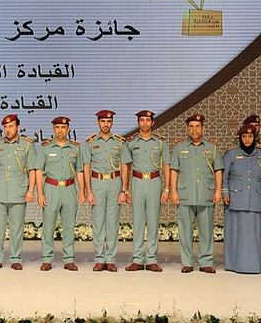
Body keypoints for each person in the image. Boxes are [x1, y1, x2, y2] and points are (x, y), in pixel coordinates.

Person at [169, 114, 223, 273]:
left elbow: (218, 170)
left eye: (197, 126)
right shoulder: (179, 148)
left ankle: (206, 262)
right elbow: (174, 171)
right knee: (185, 231)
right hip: (185, 195)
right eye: (191, 126)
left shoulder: (212, 148)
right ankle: (187, 262)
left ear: (203, 128)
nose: (194, 129)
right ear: (187, 129)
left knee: (206, 230)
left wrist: (218, 190)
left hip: (206, 195)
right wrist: (173, 191)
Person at [121, 110, 170, 272]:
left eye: (148, 120)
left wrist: (167, 188)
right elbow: (126, 166)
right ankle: (137, 258)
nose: (145, 123)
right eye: (142, 120)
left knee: (153, 221)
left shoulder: (160, 142)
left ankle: (151, 259)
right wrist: (125, 189)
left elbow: (166, 166)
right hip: (137, 181)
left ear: (152, 123)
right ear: (138, 123)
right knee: (138, 221)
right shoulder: (131, 143)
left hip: (154, 182)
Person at [222, 124, 261, 274]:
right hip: (235, 199)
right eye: (244, 136)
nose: (247, 139)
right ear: (240, 138)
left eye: (250, 136)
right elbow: (223, 177)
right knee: (234, 233)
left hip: (256, 199)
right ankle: (233, 264)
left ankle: (252, 266)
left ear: (254, 138)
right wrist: (225, 194)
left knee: (254, 235)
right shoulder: (231, 154)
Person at [0, 114, 36, 270]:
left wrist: (30, 190)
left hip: (19, 192)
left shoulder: (28, 145)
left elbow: (32, 170)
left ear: (18, 127)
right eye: (6, 127)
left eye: (11, 126)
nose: (8, 130)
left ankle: (15, 258)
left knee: (16, 228)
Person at [35, 116, 84, 271]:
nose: (60, 130)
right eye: (57, 127)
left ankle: (68, 259)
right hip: (51, 188)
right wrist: (40, 193)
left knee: (69, 226)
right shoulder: (45, 148)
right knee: (48, 225)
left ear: (68, 129)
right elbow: (38, 171)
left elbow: (80, 171)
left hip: (69, 188)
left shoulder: (75, 148)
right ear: (53, 129)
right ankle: (47, 259)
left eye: (63, 127)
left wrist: (82, 191)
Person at [83, 110, 126, 272]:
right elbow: (86, 167)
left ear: (112, 123)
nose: (105, 124)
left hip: (115, 182)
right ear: (98, 123)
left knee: (113, 222)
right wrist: (88, 190)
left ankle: (111, 259)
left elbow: (124, 166)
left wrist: (124, 189)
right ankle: (100, 258)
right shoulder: (90, 142)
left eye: (108, 122)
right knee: (99, 221)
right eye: (103, 121)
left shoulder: (120, 142)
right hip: (97, 182)